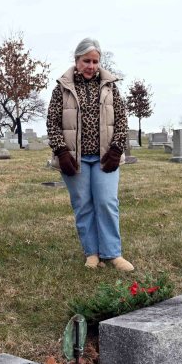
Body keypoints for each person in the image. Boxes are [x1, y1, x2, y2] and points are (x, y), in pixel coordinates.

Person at [46, 37, 134, 272]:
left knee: (106, 202)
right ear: (77, 61)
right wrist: (62, 151)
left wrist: (116, 148)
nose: (91, 66)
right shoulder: (62, 88)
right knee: (83, 205)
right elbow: (52, 122)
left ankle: (113, 254)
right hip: (75, 158)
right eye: (87, 61)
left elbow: (122, 120)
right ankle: (92, 253)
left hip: (105, 157)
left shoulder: (110, 86)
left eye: (95, 61)